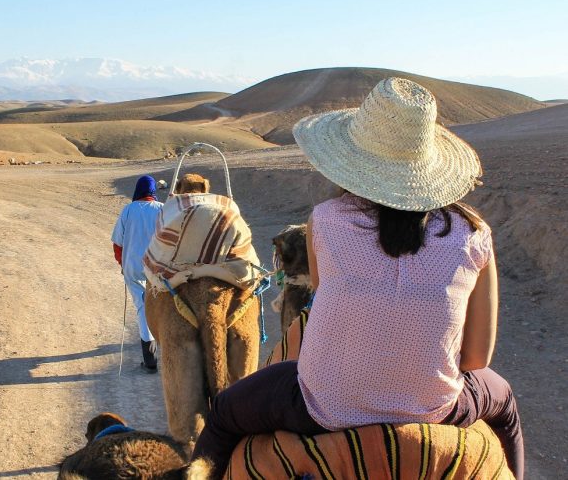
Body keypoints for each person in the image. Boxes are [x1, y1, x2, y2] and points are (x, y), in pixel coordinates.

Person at [191, 78, 524, 480]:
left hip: (322, 410)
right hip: (437, 407)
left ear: (352, 161)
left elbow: (325, 297)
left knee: (226, 411)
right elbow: (475, 360)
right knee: (503, 405)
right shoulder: (475, 234)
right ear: (429, 164)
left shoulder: (325, 220)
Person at [111, 175, 164, 373]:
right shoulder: (162, 209)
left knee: (143, 307)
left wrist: (123, 264)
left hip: (133, 267)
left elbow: (118, 243)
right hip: (159, 269)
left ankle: (150, 358)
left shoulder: (128, 210)